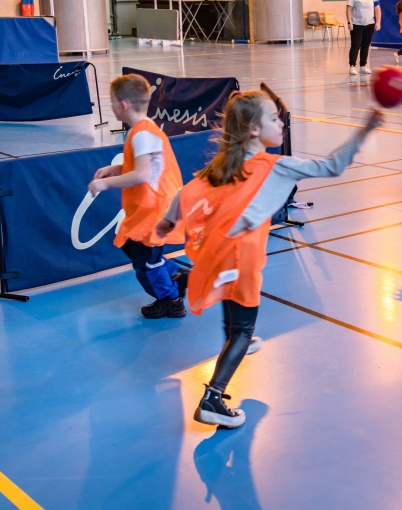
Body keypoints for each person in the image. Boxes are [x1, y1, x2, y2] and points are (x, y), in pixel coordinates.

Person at [155, 91, 383, 428]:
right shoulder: (275, 166)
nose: (281, 123)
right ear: (253, 130)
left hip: (219, 254)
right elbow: (331, 166)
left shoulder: (225, 163)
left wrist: (168, 219)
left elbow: (186, 191)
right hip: (242, 259)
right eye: (274, 118)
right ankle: (213, 398)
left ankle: (232, 335)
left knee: (234, 313)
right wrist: (364, 131)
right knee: (244, 328)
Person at [88, 74, 187, 319]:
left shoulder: (142, 134)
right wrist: (116, 169)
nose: (111, 106)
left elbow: (141, 175)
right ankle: (176, 275)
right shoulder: (142, 130)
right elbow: (147, 168)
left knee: (146, 263)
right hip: (149, 208)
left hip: (155, 209)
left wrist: (105, 183)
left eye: (112, 102)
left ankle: (171, 301)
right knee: (132, 246)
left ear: (123, 105)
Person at [346, 0, 381, 76]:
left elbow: (377, 9)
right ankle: (352, 66)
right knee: (355, 45)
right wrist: (349, 22)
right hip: (356, 24)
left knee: (365, 46)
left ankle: (363, 66)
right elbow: (348, 9)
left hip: (369, 24)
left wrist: (378, 22)